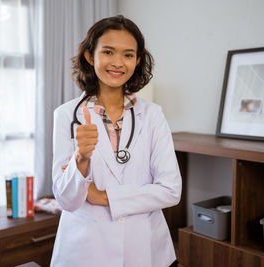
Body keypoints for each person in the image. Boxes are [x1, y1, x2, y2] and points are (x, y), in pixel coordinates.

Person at [51, 15, 182, 267]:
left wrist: (103, 197)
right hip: (87, 250)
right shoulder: (66, 115)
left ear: (138, 60)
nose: (118, 63)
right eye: (108, 52)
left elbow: (170, 190)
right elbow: (67, 200)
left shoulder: (153, 115)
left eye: (128, 55)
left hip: (145, 248)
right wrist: (81, 158)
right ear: (91, 56)